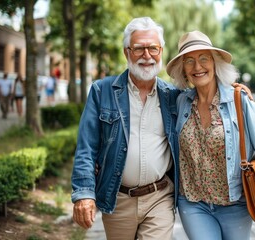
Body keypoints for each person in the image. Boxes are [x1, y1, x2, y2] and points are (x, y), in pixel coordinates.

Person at [166, 30, 255, 240]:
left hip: (235, 204)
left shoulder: (239, 99)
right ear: (183, 70)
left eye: (204, 58)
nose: (197, 67)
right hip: (193, 203)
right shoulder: (180, 102)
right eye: (189, 61)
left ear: (215, 63)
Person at [71, 17, 180, 240]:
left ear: (161, 51)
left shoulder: (173, 96)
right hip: (117, 198)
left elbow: (206, 98)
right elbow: (86, 149)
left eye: (153, 48)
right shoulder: (102, 91)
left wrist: (233, 90)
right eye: (139, 48)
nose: (147, 55)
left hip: (159, 197)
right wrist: (84, 193)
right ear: (126, 52)